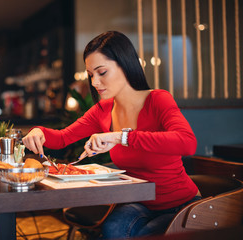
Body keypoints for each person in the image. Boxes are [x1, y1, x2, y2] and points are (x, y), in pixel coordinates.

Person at [22, 31, 200, 239]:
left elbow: (188, 143)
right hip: (139, 203)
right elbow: (62, 138)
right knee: (112, 230)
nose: (95, 82)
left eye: (102, 72)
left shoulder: (158, 100)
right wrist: (38, 132)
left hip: (181, 205)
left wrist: (120, 137)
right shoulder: (103, 111)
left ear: (125, 64)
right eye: (91, 75)